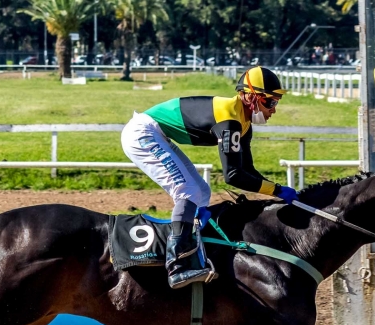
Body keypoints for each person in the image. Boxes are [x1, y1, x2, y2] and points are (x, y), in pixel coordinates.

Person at [121, 66, 296, 289]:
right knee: (187, 191)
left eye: (276, 103)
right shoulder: (230, 119)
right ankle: (176, 267)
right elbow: (233, 176)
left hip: (156, 134)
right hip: (142, 133)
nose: (273, 110)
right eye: (270, 102)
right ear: (251, 97)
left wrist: (277, 189)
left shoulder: (243, 123)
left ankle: (192, 249)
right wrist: (277, 190)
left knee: (202, 192)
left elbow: (247, 170)